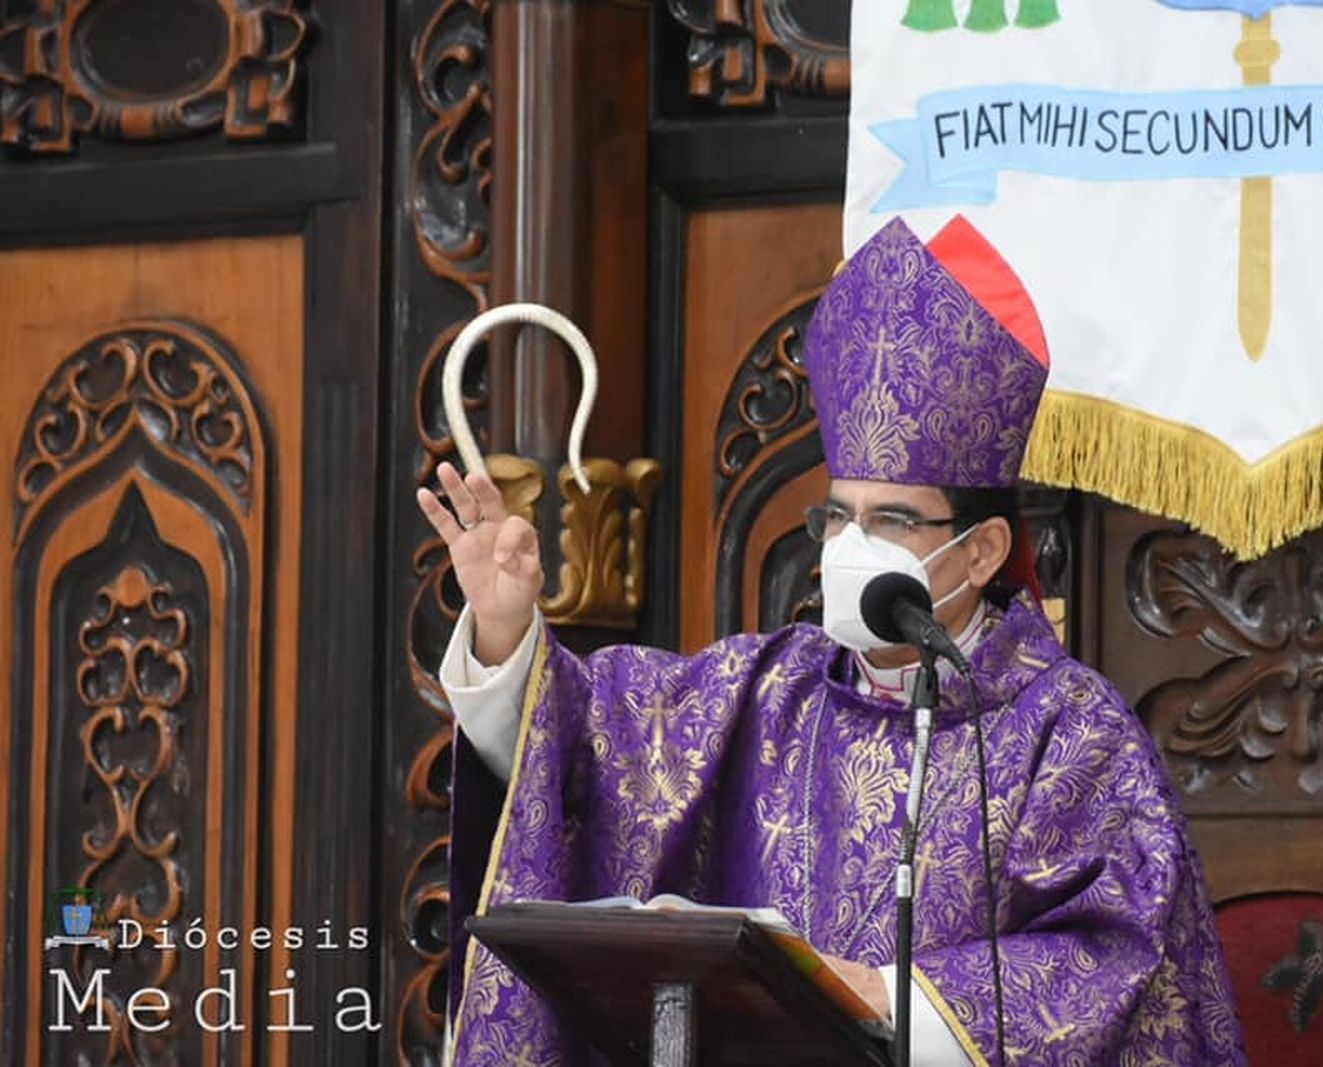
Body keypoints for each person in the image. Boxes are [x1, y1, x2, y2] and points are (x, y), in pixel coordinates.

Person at [419, 217, 1244, 1065]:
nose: (853, 546)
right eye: (839, 517)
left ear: (984, 548)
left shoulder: (1070, 734)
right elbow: (581, 741)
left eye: (891, 519)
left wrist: (885, 994)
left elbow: (1118, 961)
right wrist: (506, 624)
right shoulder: (764, 690)